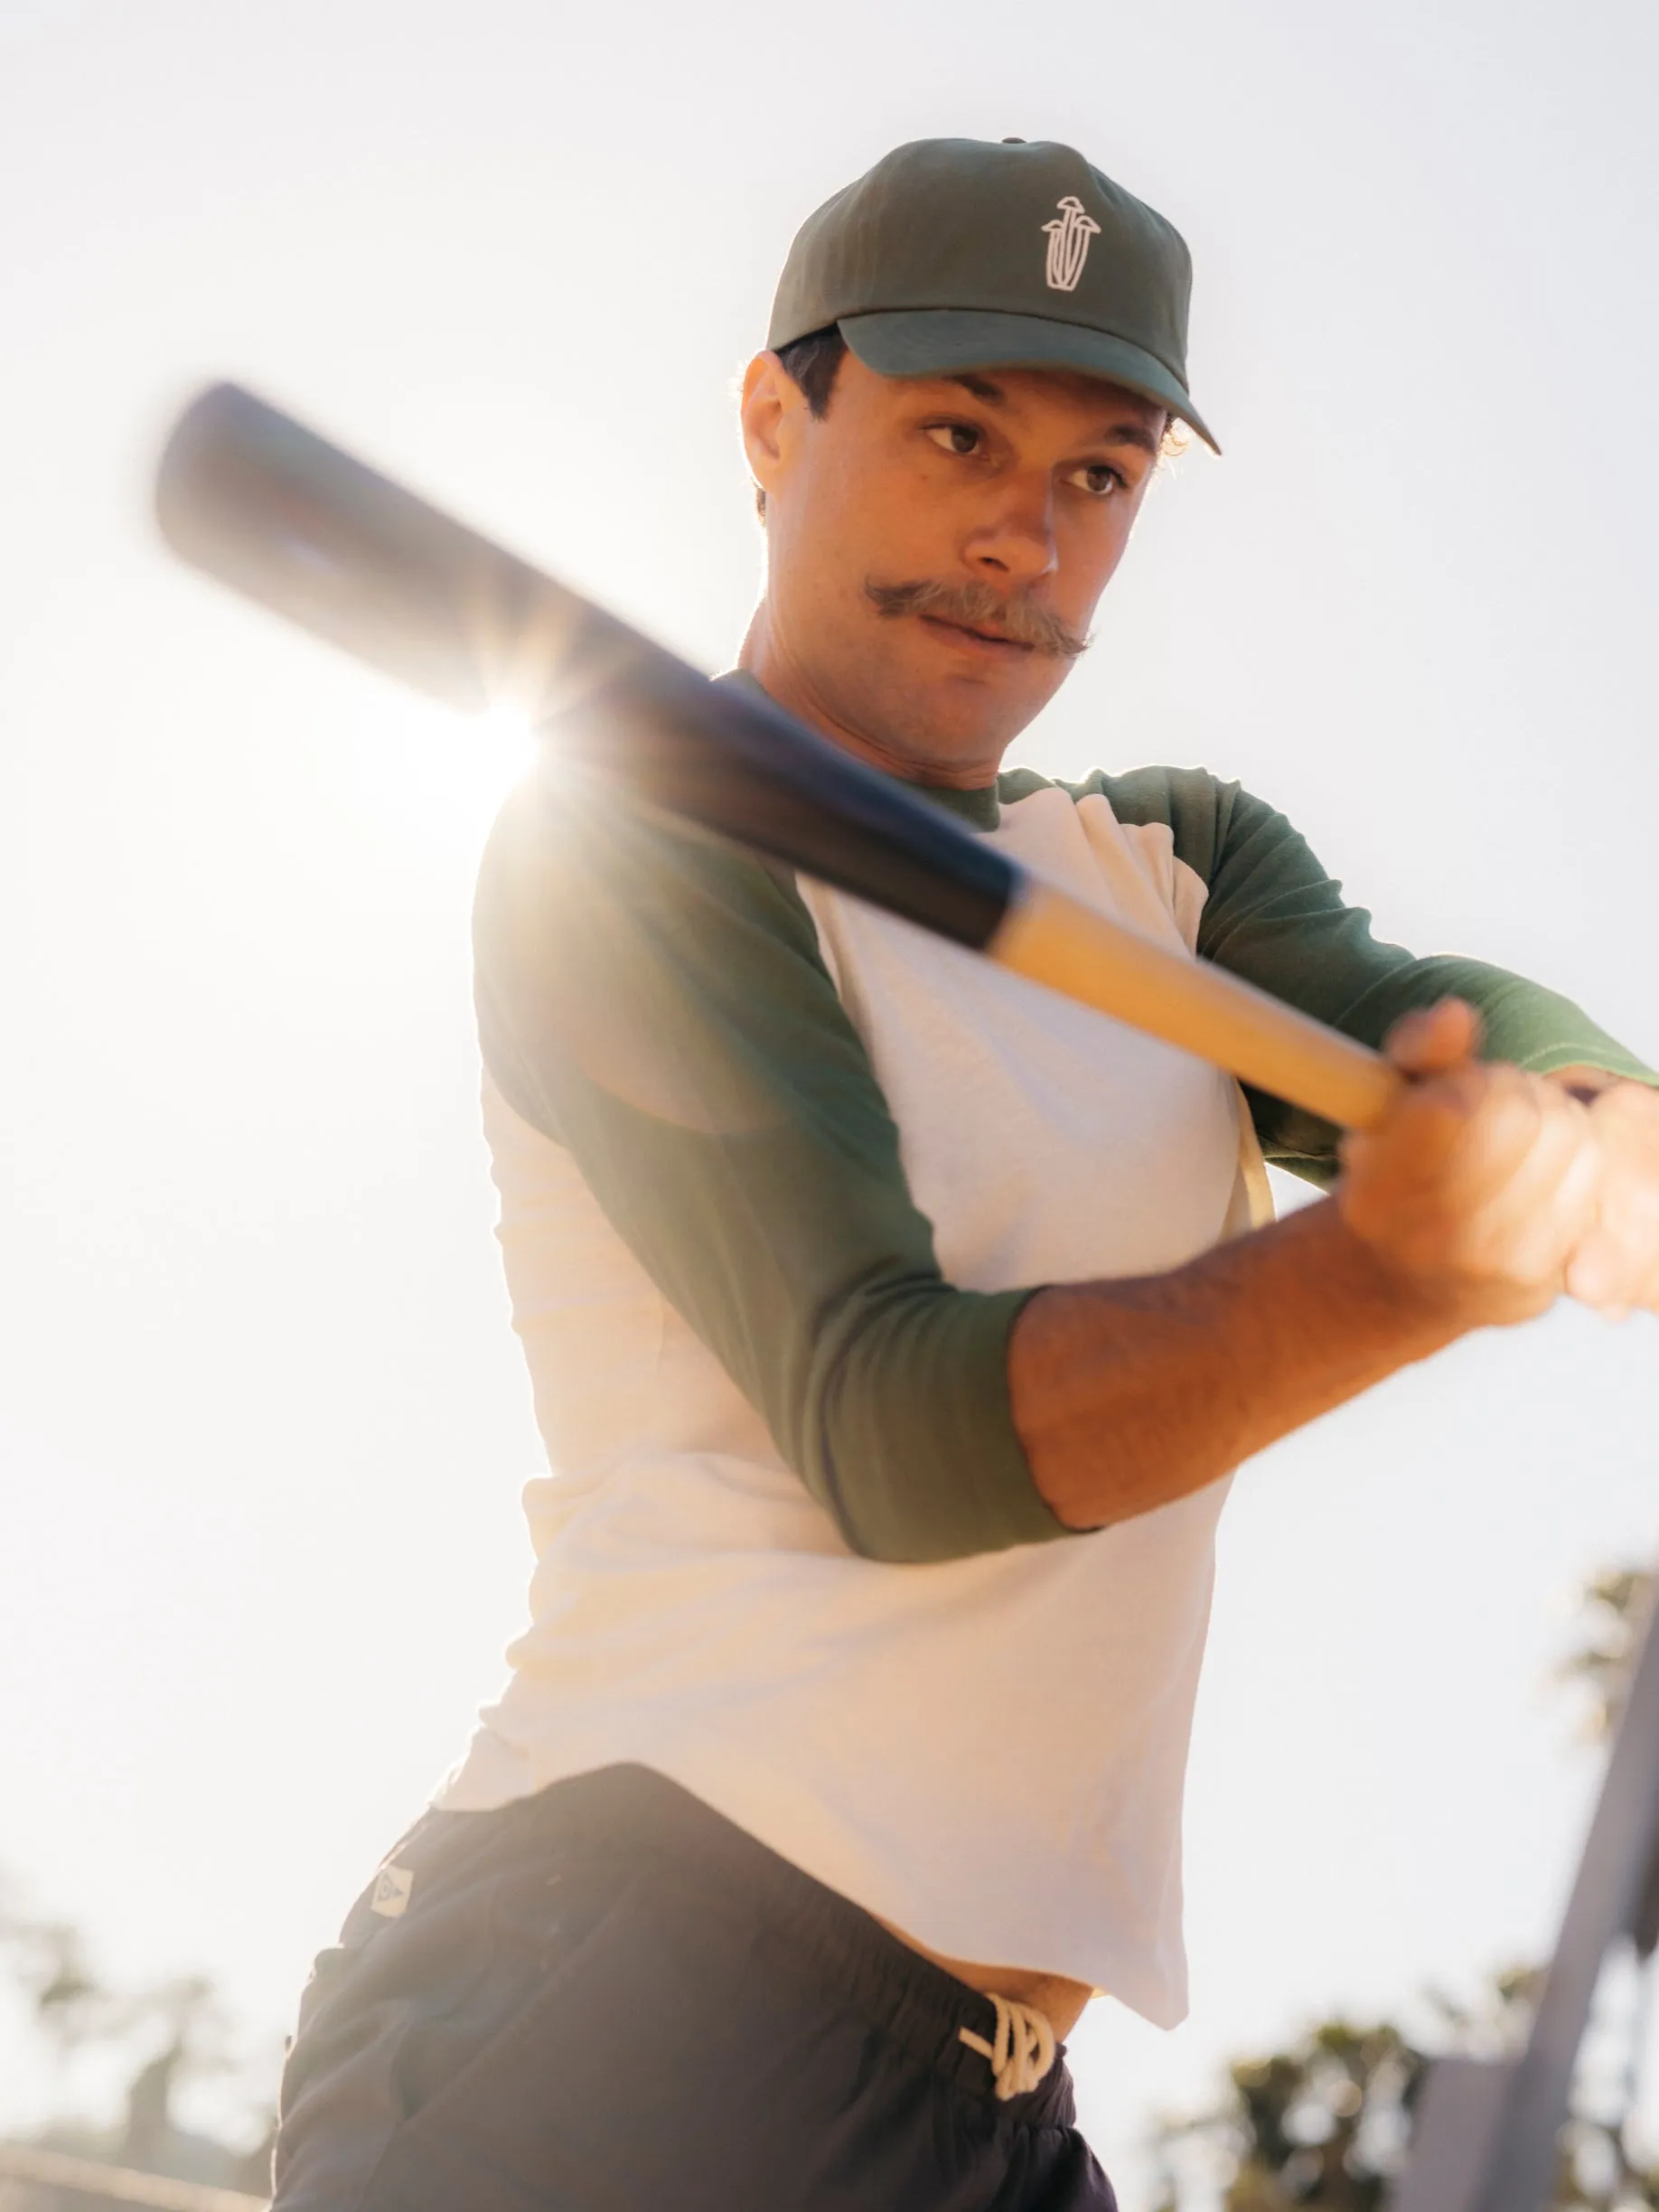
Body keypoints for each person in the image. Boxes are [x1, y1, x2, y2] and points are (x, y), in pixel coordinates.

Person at [268, 136, 1659, 2212]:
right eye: (952, 433)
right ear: (776, 417)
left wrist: (1592, 1110)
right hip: (622, 2005)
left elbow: (1408, 1013)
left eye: (1100, 474)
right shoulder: (637, 842)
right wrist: (1397, 1280)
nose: (1023, 535)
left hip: (985, 2109)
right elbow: (889, 1424)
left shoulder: (1175, 865)